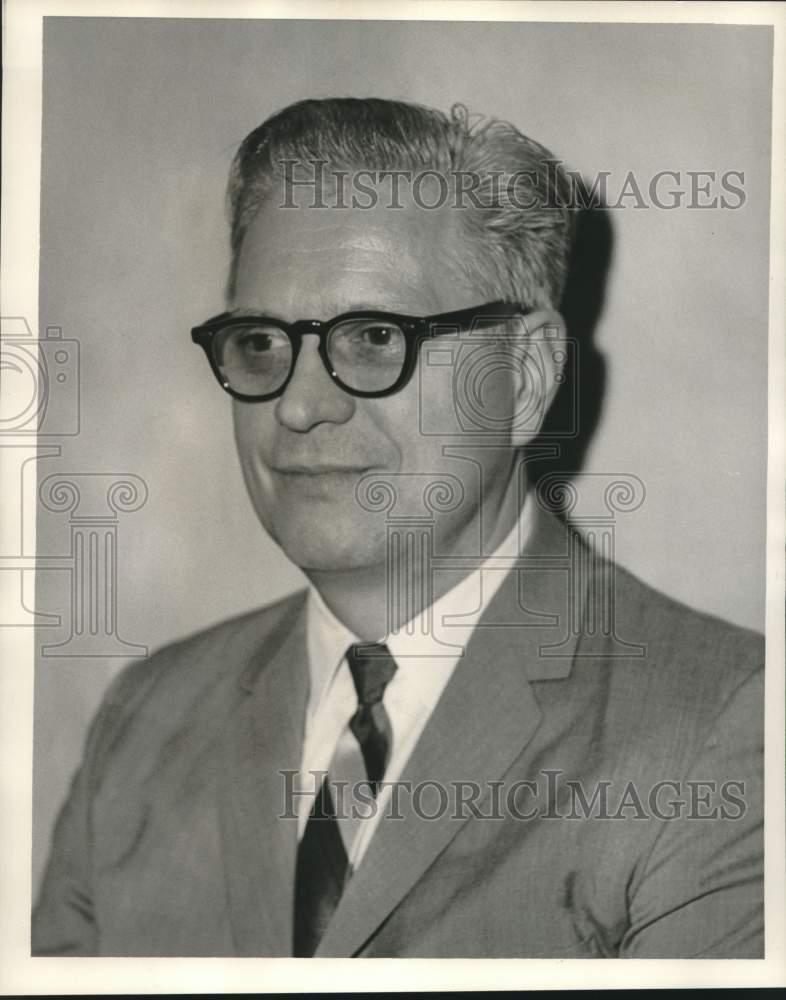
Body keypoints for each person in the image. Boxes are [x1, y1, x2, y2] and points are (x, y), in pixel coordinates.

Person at [32, 97, 764, 958]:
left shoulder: (723, 730)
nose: (298, 406)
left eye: (375, 336)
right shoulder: (145, 721)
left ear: (527, 377)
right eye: (262, 342)